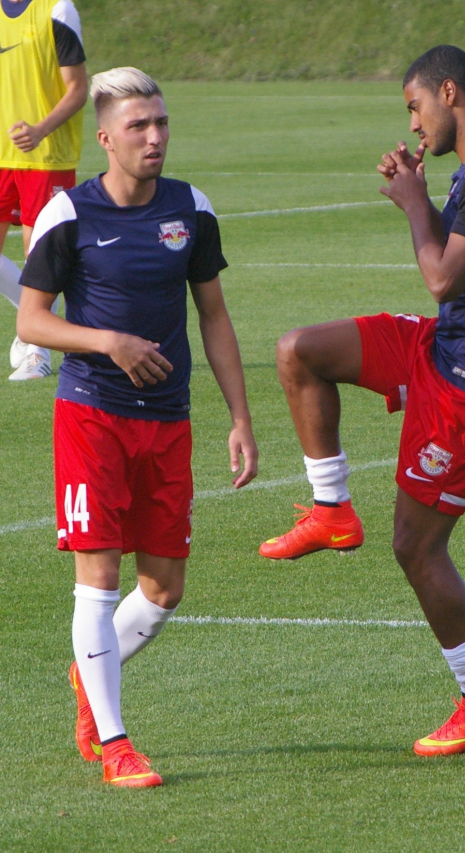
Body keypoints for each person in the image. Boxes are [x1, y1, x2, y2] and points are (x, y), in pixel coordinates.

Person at [259, 45, 465, 757]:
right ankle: (330, 509)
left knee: (416, 547)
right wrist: (422, 193)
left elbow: (442, 278)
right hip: (445, 346)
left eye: (414, 107)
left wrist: (415, 204)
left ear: (448, 92)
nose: (413, 124)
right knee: (300, 350)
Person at [16, 67, 259, 787]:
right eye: (138, 127)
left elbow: (213, 315)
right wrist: (108, 341)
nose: (154, 138)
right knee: (98, 578)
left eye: (160, 123)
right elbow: (31, 319)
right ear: (105, 140)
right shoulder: (69, 215)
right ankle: (116, 743)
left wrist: (240, 416)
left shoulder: (191, 207)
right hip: (92, 415)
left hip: (170, 420)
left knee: (164, 589)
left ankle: (89, 673)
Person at [0, 0, 87, 380]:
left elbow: (78, 88)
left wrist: (39, 131)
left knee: (37, 258)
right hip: (2, 154)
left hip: (46, 155)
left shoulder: (57, 8)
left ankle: (39, 350)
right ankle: (33, 324)